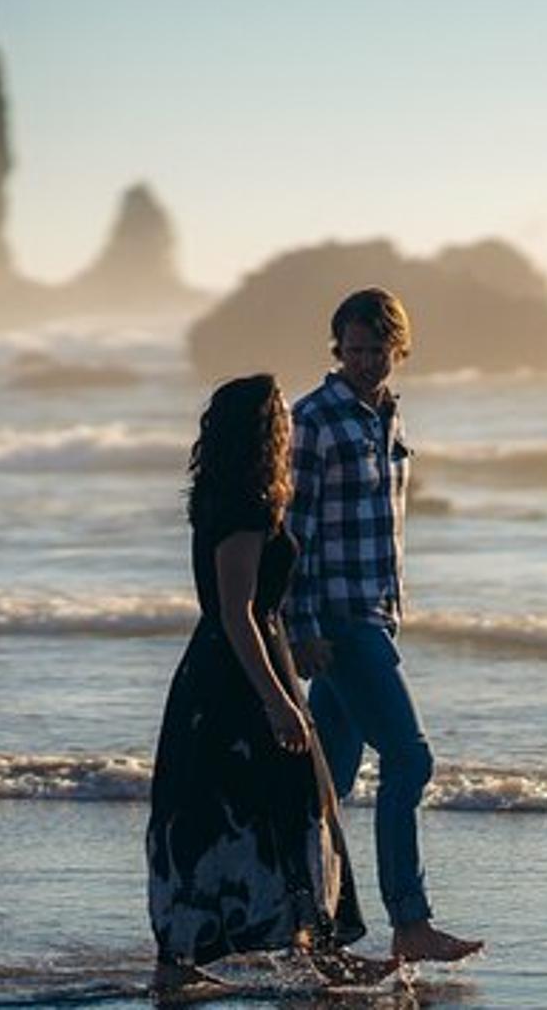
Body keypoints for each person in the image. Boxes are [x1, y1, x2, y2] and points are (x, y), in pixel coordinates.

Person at [146, 374, 391, 995]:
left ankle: (307, 948)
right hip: (236, 676)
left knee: (247, 809)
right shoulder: (245, 506)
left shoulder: (231, 494)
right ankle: (193, 959)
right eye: (282, 416)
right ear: (265, 430)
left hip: (236, 666)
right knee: (289, 804)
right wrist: (278, 702)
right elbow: (238, 612)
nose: (291, 425)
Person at [286, 288, 485, 964]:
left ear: (399, 349)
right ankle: (410, 921)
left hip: (376, 614)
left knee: (329, 785)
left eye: (379, 349)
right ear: (336, 347)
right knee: (410, 758)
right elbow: (294, 532)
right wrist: (301, 624)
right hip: (338, 620)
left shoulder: (388, 416)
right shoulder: (313, 419)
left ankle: (301, 927)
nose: (367, 360)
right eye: (355, 348)